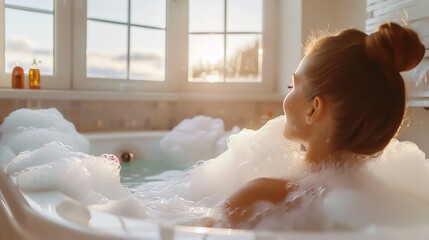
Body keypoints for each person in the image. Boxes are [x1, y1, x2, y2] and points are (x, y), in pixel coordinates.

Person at [222, 22, 426, 228]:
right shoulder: (401, 205)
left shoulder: (261, 196)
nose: (287, 94)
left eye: (292, 86)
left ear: (313, 109)